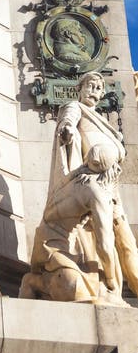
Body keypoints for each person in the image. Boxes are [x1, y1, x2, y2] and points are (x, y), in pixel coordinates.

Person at [20, 72, 138, 304]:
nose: (93, 91)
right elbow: (68, 121)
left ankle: (120, 285)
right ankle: (108, 286)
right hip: (90, 185)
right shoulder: (75, 107)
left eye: (98, 88)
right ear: (80, 88)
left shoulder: (103, 122)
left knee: (126, 243)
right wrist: (67, 130)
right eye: (90, 86)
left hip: (109, 187)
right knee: (103, 239)